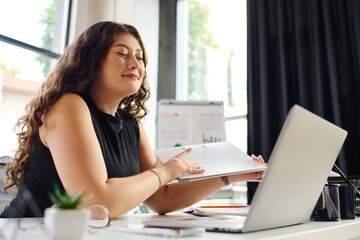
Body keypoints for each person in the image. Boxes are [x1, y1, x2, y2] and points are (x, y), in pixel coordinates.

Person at [1, 21, 265, 218]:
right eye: (122, 53)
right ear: (91, 61)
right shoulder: (69, 105)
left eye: (140, 57)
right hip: (26, 233)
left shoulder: (131, 124)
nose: (136, 64)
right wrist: (166, 171)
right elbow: (95, 203)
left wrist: (228, 176)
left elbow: (160, 198)